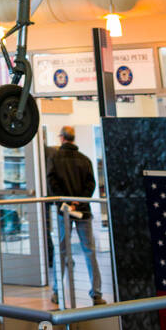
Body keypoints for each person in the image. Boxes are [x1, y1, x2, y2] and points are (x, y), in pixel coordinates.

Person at [46, 126, 105, 307]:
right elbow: (91, 184)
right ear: (73, 138)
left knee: (61, 251)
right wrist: (78, 202)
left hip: (63, 211)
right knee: (89, 251)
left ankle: (57, 291)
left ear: (62, 138)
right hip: (83, 212)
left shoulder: (54, 159)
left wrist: (66, 203)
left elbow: (52, 182)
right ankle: (96, 294)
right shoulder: (84, 159)